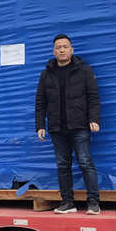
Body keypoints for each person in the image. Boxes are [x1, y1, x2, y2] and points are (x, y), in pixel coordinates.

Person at [35, 34, 101, 214]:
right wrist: (40, 125)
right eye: (58, 47)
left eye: (65, 47)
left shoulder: (84, 70)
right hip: (57, 127)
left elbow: (93, 96)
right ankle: (68, 202)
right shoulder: (46, 73)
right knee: (63, 165)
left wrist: (94, 119)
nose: (62, 50)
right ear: (54, 51)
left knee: (85, 162)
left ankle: (93, 202)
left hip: (80, 126)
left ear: (71, 50)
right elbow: (40, 101)